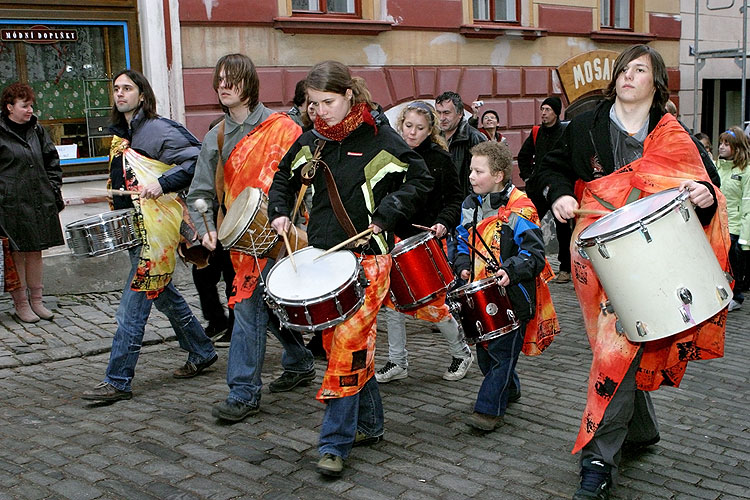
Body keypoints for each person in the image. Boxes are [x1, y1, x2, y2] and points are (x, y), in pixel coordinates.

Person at [537, 44, 729, 500]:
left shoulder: (672, 132)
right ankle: (637, 429)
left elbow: (708, 185)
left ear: (656, 83)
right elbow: (549, 167)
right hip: (598, 255)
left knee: (616, 349)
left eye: (639, 69)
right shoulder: (585, 125)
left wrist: (703, 195)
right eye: (624, 69)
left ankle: (599, 461)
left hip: (657, 256)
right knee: (620, 345)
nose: (627, 76)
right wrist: (559, 194)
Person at [268, 60, 433, 478]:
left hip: (368, 260)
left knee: (344, 348)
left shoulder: (380, 138)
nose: (317, 111)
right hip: (323, 258)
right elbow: (283, 179)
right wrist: (279, 213)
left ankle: (334, 443)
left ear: (349, 96)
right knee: (346, 345)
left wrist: (386, 215)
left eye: (326, 102)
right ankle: (370, 423)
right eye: (311, 103)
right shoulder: (313, 140)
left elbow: (421, 179)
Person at [186, 54, 315, 422]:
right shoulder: (216, 136)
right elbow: (200, 194)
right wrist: (205, 226)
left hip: (286, 236)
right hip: (243, 243)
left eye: (232, 80)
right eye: (219, 80)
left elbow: (307, 180)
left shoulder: (284, 128)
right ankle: (291, 364)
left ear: (250, 84)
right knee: (254, 307)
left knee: (255, 308)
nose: (223, 86)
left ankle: (247, 390)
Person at [82, 69, 218, 403]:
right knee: (164, 294)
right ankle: (201, 350)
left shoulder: (157, 129)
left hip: (155, 235)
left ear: (142, 94)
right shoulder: (124, 134)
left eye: (127, 88)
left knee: (132, 307)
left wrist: (162, 183)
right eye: (115, 88)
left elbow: (198, 160)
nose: (120, 94)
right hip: (137, 227)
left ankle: (118, 379)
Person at [454, 141, 558, 432]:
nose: (471, 176)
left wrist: (511, 270)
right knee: (487, 357)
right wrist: (461, 264)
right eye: (471, 170)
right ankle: (509, 388)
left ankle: (488, 410)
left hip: (513, 295)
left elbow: (534, 256)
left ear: (499, 175)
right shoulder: (469, 204)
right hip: (480, 292)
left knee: (501, 356)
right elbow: (461, 240)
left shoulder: (522, 209)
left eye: (478, 171)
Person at [375, 100, 473, 384]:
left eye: (420, 128)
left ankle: (461, 352)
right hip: (393, 237)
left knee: (435, 303)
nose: (412, 133)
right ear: (400, 124)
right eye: (408, 126)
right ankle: (397, 361)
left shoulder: (440, 159)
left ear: (430, 130)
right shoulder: (391, 153)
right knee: (392, 303)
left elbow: (456, 199)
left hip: (426, 239)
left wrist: (443, 221)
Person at [0, 82, 65, 323]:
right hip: (10, 204)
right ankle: (21, 304)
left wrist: (52, 188)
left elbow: (52, 161)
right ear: (9, 107)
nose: (29, 110)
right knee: (17, 253)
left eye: (31, 105)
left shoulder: (36, 129)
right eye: (24, 105)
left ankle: (37, 301)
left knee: (36, 250)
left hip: (38, 199)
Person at [187, 115, 235, 347]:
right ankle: (217, 319)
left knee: (232, 279)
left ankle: (236, 327)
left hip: (229, 225)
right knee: (202, 274)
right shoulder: (208, 160)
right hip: (213, 227)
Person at [517, 96, 572, 283]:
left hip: (558, 189)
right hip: (537, 189)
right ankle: (531, 263)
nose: (543, 113)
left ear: (556, 113)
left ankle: (565, 268)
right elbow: (523, 156)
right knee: (531, 225)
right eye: (542, 109)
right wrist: (528, 176)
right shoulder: (536, 132)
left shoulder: (566, 132)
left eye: (548, 110)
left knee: (563, 230)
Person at [715, 126, 750, 312]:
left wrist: (745, 238)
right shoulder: (718, 166)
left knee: (733, 265)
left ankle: (736, 296)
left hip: (735, 227)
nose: (721, 147)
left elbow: (747, 205)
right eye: (720, 143)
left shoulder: (746, 172)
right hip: (717, 224)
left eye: (726, 144)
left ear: (737, 148)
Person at [435, 91, 487, 198]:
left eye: (446, 113)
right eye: (438, 113)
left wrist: (470, 203)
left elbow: (485, 177)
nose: (441, 118)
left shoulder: (474, 138)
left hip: (465, 207)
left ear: (459, 114)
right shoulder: (434, 138)